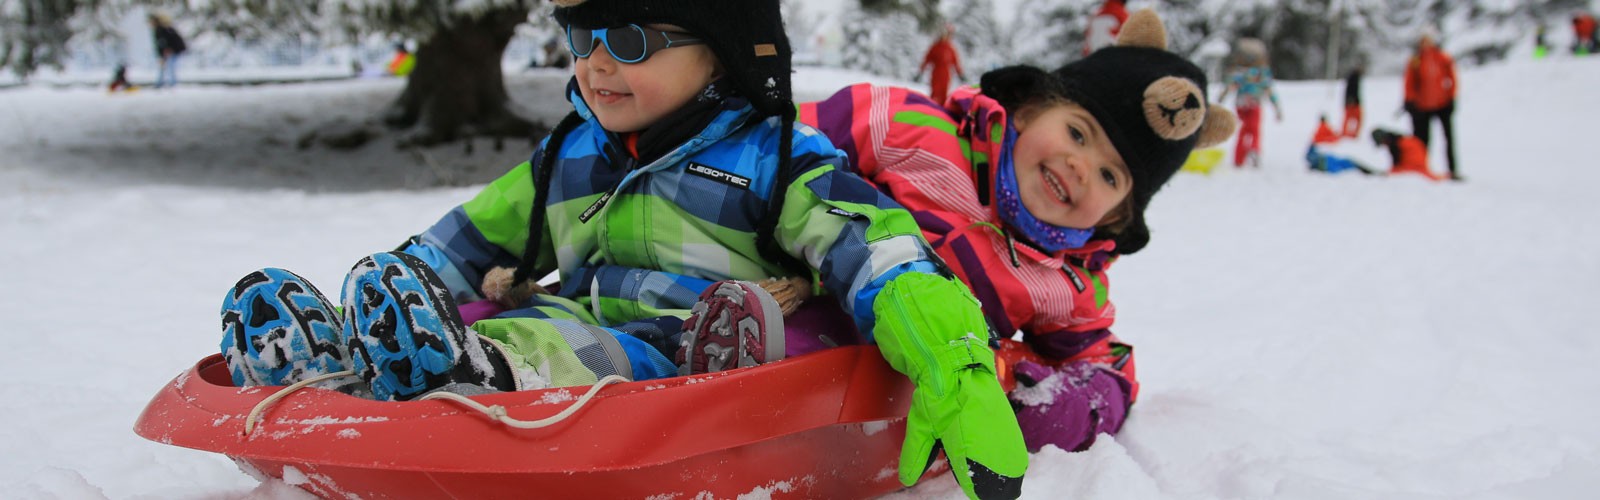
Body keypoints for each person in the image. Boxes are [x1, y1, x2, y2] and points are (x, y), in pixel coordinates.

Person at [216, 0, 1027, 498]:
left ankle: (471, 378)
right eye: (582, 34)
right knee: (511, 316)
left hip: (684, 362)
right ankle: (344, 362)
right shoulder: (570, 154)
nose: (596, 62)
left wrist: (952, 357)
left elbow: (874, 247)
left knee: (561, 345)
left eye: (632, 38)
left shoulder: (775, 156)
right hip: (575, 323)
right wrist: (397, 289)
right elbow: (466, 238)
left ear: (722, 49)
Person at [800, 9, 1236, 455]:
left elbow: (1108, 370)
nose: (1081, 167)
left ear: (1113, 217)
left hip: (866, 380)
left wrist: (1048, 404)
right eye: (1077, 134)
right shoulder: (907, 127)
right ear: (1029, 111)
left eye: (1110, 176)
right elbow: (785, 139)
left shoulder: (1067, 282)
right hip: (787, 274)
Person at [1403, 29, 1461, 180]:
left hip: (1442, 103)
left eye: (1429, 40)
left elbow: (1452, 78)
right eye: (1424, 41)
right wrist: (1410, 100)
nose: (1426, 44)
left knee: (1448, 138)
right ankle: (1421, 168)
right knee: (1421, 140)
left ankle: (1452, 170)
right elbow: (1409, 82)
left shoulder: (1442, 57)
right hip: (1421, 105)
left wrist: (1451, 97)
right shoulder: (1416, 60)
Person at [1217, 37, 1282, 168]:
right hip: (1254, 103)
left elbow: (1230, 86)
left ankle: (1239, 159)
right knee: (1254, 129)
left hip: (1241, 104)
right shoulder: (1262, 73)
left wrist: (1221, 98)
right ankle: (1254, 149)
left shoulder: (1239, 72)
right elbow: (1269, 90)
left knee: (1243, 129)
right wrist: (1277, 108)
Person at [1306, 116, 1376, 175]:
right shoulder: (1324, 127)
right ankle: (1370, 171)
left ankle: (1370, 171)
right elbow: (1331, 134)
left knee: (1352, 163)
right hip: (1330, 159)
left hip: (1328, 158)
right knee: (1352, 163)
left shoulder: (1320, 128)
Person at [916, 23, 965, 105]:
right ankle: (931, 107)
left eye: (948, 34)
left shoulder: (950, 49)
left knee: (944, 94)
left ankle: (941, 109)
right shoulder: (935, 47)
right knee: (935, 92)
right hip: (936, 73)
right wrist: (920, 72)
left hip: (946, 75)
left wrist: (960, 74)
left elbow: (956, 63)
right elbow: (927, 60)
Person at [1371, 128, 1444, 181]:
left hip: (1412, 168)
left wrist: (1387, 174)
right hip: (1420, 166)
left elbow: (1397, 165)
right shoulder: (1404, 139)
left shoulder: (1395, 144)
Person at [148, 13, 186, 89]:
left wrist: (164, 53)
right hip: (171, 50)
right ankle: (162, 82)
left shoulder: (161, 30)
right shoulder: (163, 29)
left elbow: (163, 43)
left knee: (170, 66)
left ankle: (170, 83)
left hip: (173, 50)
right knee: (165, 67)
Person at [1341, 65, 1364, 138]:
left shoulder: (1355, 78)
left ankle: (1347, 132)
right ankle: (1347, 133)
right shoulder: (1353, 78)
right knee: (1356, 118)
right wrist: (1350, 100)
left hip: (1352, 102)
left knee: (1350, 118)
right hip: (1352, 103)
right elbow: (1350, 90)